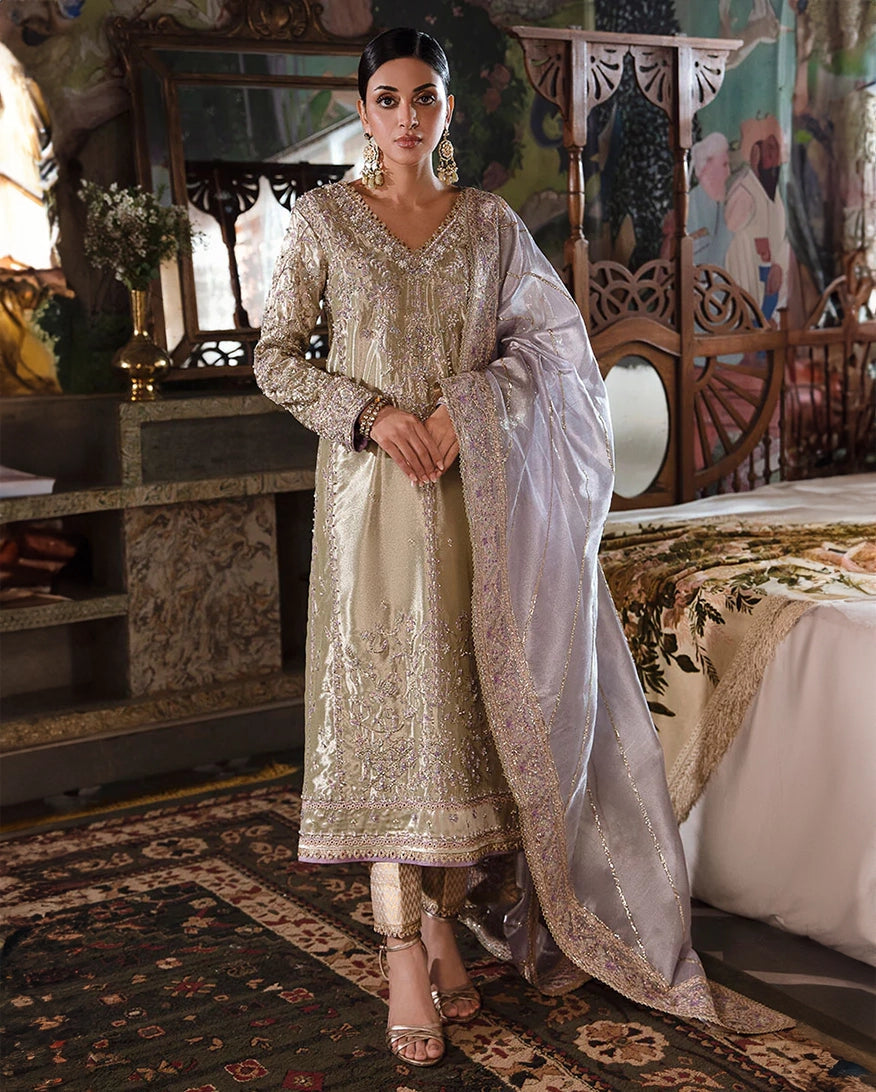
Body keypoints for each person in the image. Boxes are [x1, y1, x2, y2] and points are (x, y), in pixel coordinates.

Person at [254, 27, 790, 1069]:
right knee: (396, 726)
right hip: (374, 511)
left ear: (448, 109)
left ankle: (443, 925)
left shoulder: (489, 225)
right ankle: (401, 956)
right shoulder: (322, 223)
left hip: (476, 508)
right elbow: (277, 359)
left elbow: (552, 350)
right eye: (387, 98)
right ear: (362, 111)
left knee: (461, 723)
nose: (407, 116)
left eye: (425, 97)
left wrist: (469, 407)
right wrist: (369, 414)